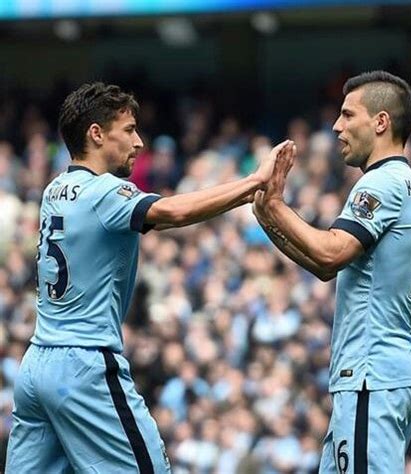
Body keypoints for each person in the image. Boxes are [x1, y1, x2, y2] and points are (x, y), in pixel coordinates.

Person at [5, 81, 293, 474]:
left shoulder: (56, 189)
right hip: (84, 364)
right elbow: (172, 213)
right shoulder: (103, 192)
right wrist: (253, 184)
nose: (139, 142)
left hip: (37, 364)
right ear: (96, 134)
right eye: (128, 130)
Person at [253, 71, 411, 473]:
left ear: (381, 122)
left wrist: (278, 205)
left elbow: (330, 252)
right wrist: (269, 217)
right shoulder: (407, 182)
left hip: (372, 376)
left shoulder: (382, 183)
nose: (337, 126)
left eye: (348, 115)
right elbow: (323, 268)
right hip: (374, 375)